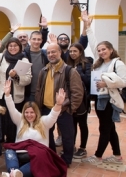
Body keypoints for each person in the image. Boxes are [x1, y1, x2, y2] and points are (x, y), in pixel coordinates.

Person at [2, 79, 68, 177]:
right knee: (9, 150)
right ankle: (14, 172)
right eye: (26, 112)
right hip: (20, 155)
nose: (29, 115)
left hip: (36, 159)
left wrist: (58, 104)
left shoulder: (44, 122)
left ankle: (12, 175)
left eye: (32, 112)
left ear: (36, 112)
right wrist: (8, 94)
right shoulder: (20, 120)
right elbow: (12, 109)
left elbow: (53, 115)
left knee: (36, 165)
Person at [81, 11, 124, 165]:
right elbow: (93, 43)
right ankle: (117, 156)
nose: (101, 52)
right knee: (109, 128)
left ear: (111, 50)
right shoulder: (99, 62)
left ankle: (98, 156)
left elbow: (124, 81)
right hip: (99, 99)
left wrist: (107, 83)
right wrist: (88, 26)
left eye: (104, 49)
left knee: (104, 128)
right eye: (99, 50)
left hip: (109, 100)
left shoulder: (117, 63)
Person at [35, 43, 83, 166]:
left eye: (54, 52)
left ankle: (66, 160)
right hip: (46, 109)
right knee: (48, 135)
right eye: (49, 52)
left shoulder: (70, 71)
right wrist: (39, 106)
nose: (51, 54)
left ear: (60, 53)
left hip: (63, 110)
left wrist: (70, 109)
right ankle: (51, 156)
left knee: (67, 136)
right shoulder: (44, 71)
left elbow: (77, 93)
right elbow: (39, 89)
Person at [0, 38, 31, 143]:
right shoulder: (0, 57)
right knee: (0, 119)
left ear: (20, 47)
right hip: (0, 94)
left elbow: (28, 79)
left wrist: (16, 77)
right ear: (7, 47)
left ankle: (11, 143)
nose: (13, 48)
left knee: (13, 121)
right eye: (10, 46)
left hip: (16, 95)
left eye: (15, 46)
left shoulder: (24, 60)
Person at [66, 43, 92, 159]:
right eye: (71, 51)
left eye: (75, 51)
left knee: (82, 124)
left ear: (80, 52)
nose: (72, 53)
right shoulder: (68, 64)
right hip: (71, 98)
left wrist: (77, 72)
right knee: (72, 124)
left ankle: (82, 148)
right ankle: (73, 146)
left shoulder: (86, 64)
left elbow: (88, 81)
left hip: (83, 100)